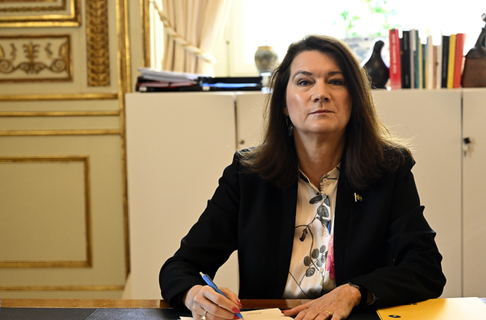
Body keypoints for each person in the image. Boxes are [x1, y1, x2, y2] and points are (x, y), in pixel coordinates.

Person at [159, 34, 446, 320]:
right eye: (305, 82)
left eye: (335, 81)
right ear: (284, 103)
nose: (320, 93)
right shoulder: (247, 175)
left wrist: (354, 291)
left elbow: (426, 268)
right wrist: (195, 295)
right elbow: (180, 267)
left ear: (355, 99)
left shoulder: (389, 169)